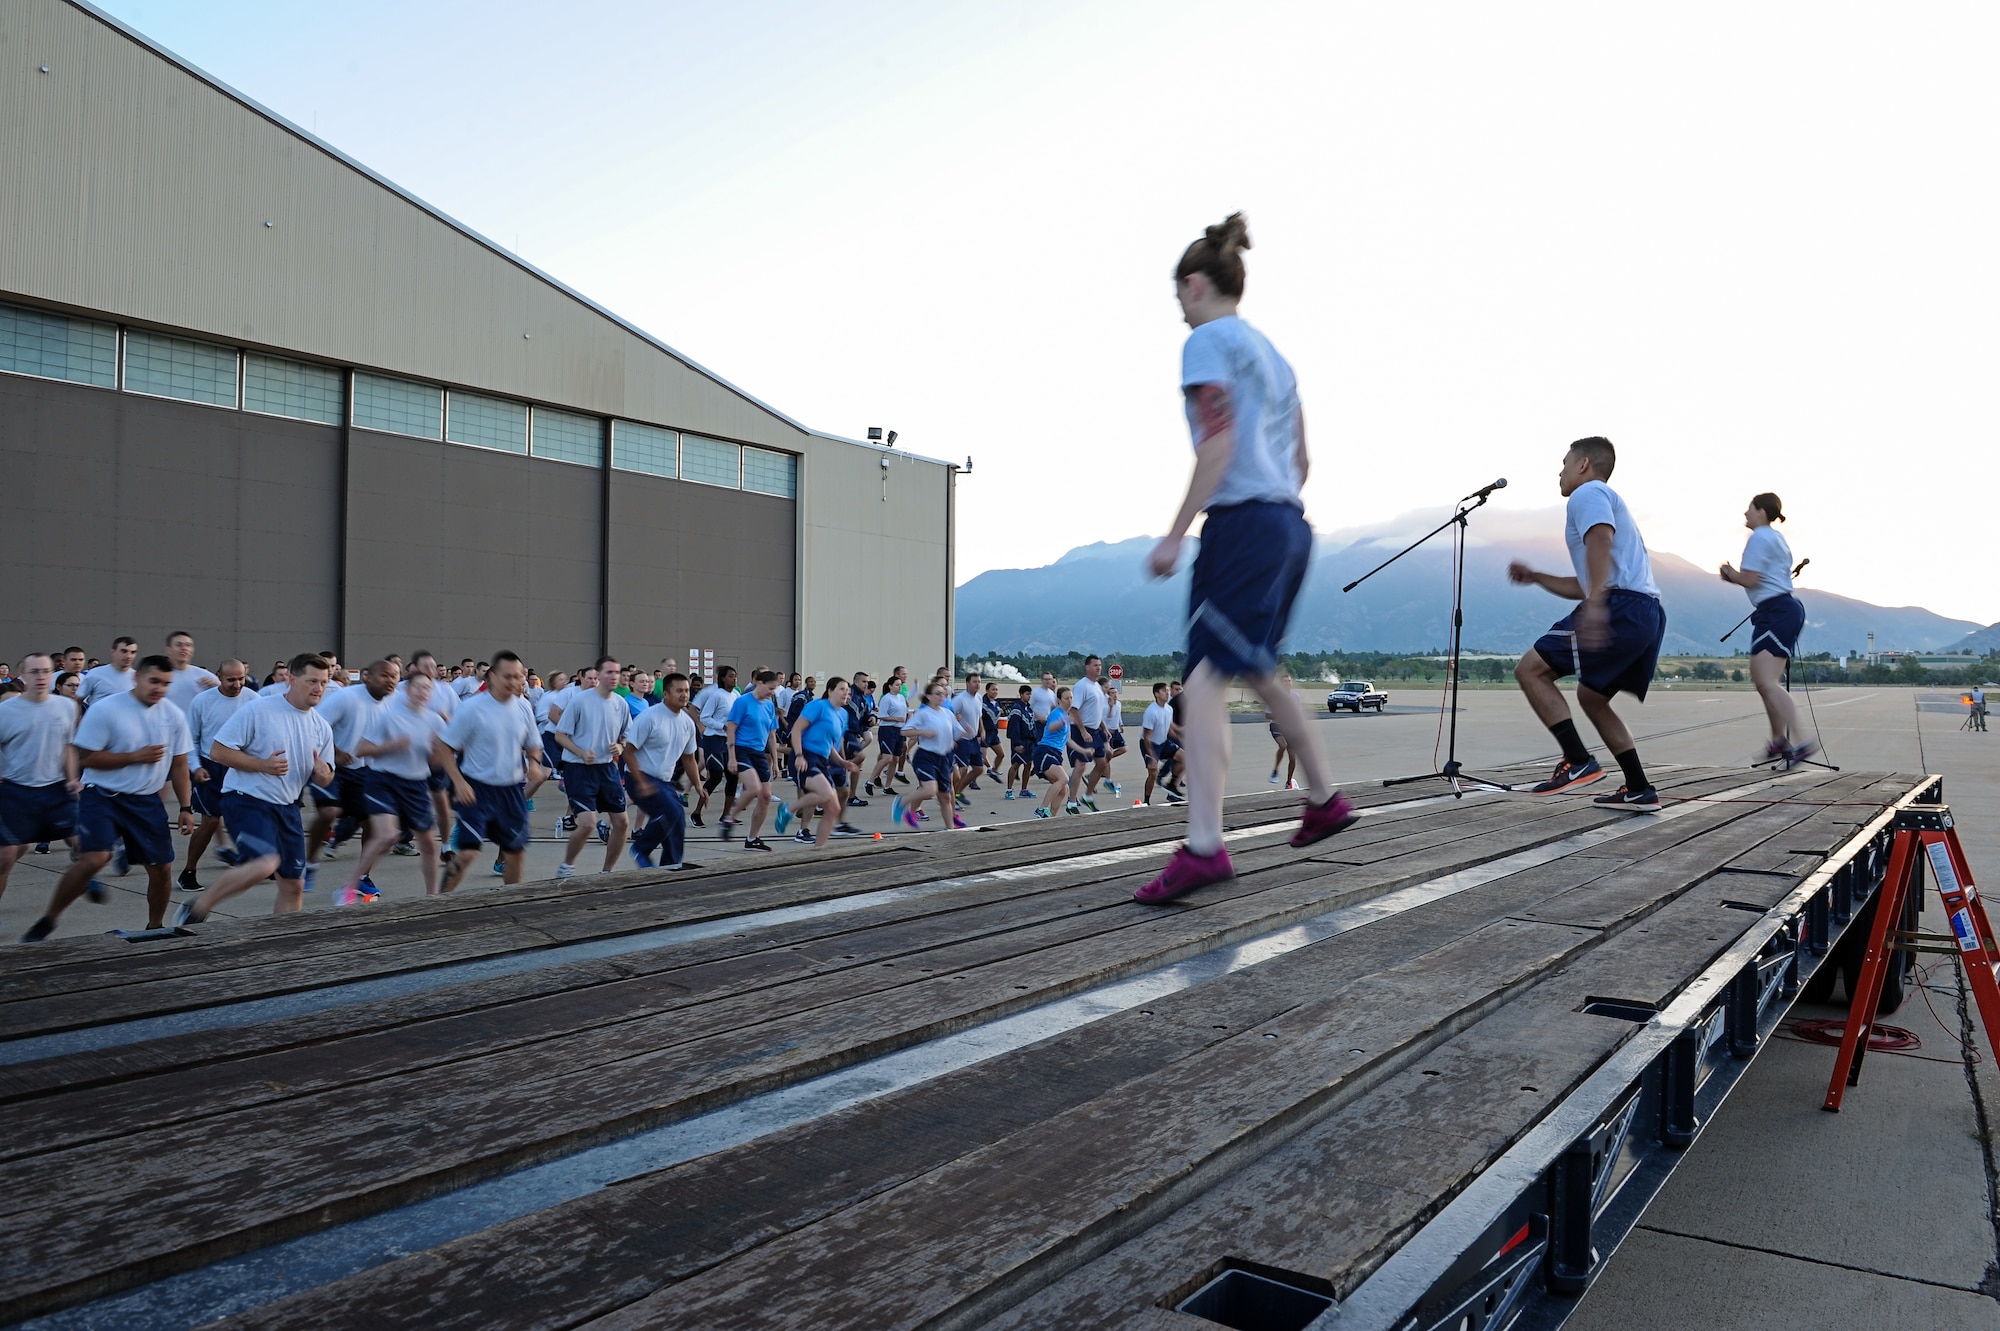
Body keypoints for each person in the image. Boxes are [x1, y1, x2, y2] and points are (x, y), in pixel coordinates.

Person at [1137, 213, 1355, 904]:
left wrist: (1176, 532)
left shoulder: (1207, 342)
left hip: (1243, 526)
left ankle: (1204, 845)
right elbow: (1304, 459)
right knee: (1257, 668)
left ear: (1195, 284)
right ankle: (1323, 797)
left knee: (1202, 682)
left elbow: (1218, 441)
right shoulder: (1275, 356)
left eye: (1178, 296)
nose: (1178, 310)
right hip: (1290, 523)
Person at [1508, 435, 1667, 811]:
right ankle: (1639, 788)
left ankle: (1578, 761)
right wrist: (1537, 577)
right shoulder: (1603, 500)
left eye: (1564, 463)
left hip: (1619, 605)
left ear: (1583, 465)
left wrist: (1596, 607)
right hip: (1645, 611)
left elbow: (1600, 541)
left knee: (1530, 670)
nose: (1559, 471)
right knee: (1592, 697)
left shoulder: (1588, 493)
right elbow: (1584, 583)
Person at [22, 654, 193, 941]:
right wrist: (135, 757)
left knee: (162, 867)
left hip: (145, 800)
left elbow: (179, 764)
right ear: (137, 677)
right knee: (95, 858)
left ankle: (155, 927)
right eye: (154, 681)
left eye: (165, 684)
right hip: (103, 796)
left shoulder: (172, 715)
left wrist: (186, 807)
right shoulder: (107, 709)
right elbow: (85, 757)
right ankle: (49, 919)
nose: (159, 689)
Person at [173, 654, 337, 925]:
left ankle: (282, 943)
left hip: (287, 807)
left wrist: (323, 774)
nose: (318, 688)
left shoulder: (321, 727)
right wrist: (262, 765)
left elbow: (325, 779)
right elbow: (218, 750)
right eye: (311, 681)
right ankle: (197, 908)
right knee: (264, 863)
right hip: (246, 799)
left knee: (294, 884)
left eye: (323, 682)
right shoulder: (260, 710)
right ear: (292, 680)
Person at [1719, 493, 1816, 766]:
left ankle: (1801, 740)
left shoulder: (1759, 537)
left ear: (1761, 511)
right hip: (1779, 611)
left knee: (1767, 683)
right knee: (1764, 682)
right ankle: (1778, 740)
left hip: (1776, 611)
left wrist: (1728, 573)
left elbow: (1750, 579)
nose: (1745, 513)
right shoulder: (1775, 538)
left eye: (1749, 508)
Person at [436, 651, 545, 892]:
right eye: (508, 676)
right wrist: (459, 782)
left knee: (515, 852)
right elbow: (444, 746)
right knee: (467, 853)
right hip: (477, 790)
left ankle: (511, 904)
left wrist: (534, 764)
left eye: (518, 676)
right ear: (492, 677)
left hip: (511, 791)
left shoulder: (523, 707)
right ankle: (439, 902)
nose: (514, 682)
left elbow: (534, 743)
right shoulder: (472, 708)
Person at [342, 671, 448, 901]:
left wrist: (436, 751)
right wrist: (390, 746)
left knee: (429, 843)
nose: (422, 692)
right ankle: (350, 888)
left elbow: (435, 763)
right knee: (387, 836)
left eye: (427, 688)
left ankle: (433, 897)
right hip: (384, 780)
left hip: (416, 783)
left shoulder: (435, 721)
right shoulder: (389, 717)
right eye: (418, 687)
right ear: (407, 690)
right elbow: (361, 749)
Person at [308, 658, 397, 889]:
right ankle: (308, 864)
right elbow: (315, 725)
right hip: (331, 766)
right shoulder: (346, 698)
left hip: (364, 771)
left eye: (394, 676)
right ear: (367, 676)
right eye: (384, 675)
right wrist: (334, 751)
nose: (390, 680)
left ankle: (361, 878)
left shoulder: (392, 704)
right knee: (329, 812)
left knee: (373, 824)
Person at [0, 654, 79, 906]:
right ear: (22, 675)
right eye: (34, 672)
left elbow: (67, 745)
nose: (41, 676)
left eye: (46, 671)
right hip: (16, 789)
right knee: (7, 856)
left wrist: (71, 778)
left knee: (90, 845)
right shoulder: (6, 711)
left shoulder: (66, 707)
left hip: (55, 788)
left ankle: (85, 878)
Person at [180, 658, 256, 890]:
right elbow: (190, 739)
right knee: (211, 821)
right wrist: (195, 767)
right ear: (219, 677)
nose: (237, 684)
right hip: (211, 766)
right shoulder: (202, 701)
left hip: (241, 764)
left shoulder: (254, 700)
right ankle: (189, 871)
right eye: (231, 679)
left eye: (241, 679)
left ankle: (258, 861)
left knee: (251, 816)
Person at [553, 656, 631, 877]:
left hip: (606, 768)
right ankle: (567, 865)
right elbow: (560, 735)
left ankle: (607, 872)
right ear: (598, 676)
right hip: (578, 768)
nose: (614, 677)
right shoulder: (580, 701)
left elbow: (625, 736)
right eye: (609, 672)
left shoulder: (620, 704)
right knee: (587, 824)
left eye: (617, 672)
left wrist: (620, 746)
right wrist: (581, 752)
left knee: (622, 823)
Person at [625, 672, 703, 870]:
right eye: (679, 691)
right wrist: (641, 782)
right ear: (666, 694)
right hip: (640, 777)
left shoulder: (687, 723)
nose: (684, 695)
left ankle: (670, 865)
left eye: (686, 691)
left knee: (678, 820)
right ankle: (641, 848)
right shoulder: (649, 717)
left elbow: (689, 758)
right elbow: (628, 751)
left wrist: (699, 787)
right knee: (672, 810)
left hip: (664, 782)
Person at [777, 676, 864, 847]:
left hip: (822, 760)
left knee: (833, 808)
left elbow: (830, 744)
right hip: (806, 757)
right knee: (825, 795)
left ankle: (819, 851)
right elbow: (796, 730)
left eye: (848, 690)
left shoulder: (843, 715)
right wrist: (800, 755)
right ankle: (788, 810)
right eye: (841, 689)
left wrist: (842, 762)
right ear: (830, 691)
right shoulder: (818, 706)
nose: (846, 693)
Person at [720, 670, 781, 849]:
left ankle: (753, 838)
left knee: (766, 796)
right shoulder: (743, 702)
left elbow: (771, 735)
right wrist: (731, 757)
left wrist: (776, 762)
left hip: (758, 752)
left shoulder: (769, 705)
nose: (772, 692)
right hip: (741, 750)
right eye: (770, 688)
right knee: (753, 788)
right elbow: (730, 729)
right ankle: (729, 818)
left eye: (774, 689)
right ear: (759, 683)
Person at [894, 679, 964, 831]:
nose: (941, 696)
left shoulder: (947, 713)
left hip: (943, 758)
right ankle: (902, 802)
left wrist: (956, 738)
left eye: (943, 694)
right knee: (931, 790)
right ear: (929, 696)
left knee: (945, 797)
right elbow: (904, 731)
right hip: (926, 757)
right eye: (937, 694)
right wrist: (923, 732)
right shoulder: (923, 714)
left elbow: (956, 731)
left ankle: (950, 830)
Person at [695, 665, 741, 817]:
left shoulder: (736, 695)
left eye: (735, 676)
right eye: (730, 676)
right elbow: (704, 717)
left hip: (728, 741)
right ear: (722, 678)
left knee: (733, 777)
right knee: (715, 774)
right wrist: (722, 726)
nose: (734, 678)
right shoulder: (717, 695)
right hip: (713, 739)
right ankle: (697, 812)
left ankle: (726, 815)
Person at [1139, 681, 1185, 805]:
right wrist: (1153, 756)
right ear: (1156, 694)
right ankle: (1146, 801)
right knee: (1153, 772)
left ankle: (1171, 784)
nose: (1167, 693)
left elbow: (1168, 728)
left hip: (1163, 742)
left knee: (1185, 757)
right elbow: (1147, 736)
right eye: (1164, 691)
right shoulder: (1151, 712)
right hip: (1149, 743)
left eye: (1168, 690)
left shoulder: (1169, 709)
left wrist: (1180, 739)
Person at [1032, 686, 1074, 818]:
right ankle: (1041, 808)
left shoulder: (1066, 716)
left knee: (1064, 789)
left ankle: (1051, 817)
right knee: (1063, 779)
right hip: (1045, 751)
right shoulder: (1057, 714)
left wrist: (1084, 750)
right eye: (1066, 698)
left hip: (1055, 753)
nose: (1069, 701)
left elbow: (1068, 740)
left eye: (1071, 698)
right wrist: (1061, 722)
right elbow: (1051, 726)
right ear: (1059, 700)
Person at [866, 675, 910, 796]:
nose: (899, 686)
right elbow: (881, 715)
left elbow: (905, 713)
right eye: (897, 684)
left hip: (899, 730)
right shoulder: (887, 698)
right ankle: (870, 781)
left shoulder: (901, 698)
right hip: (888, 730)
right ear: (890, 686)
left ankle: (887, 786)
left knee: (895, 759)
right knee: (887, 758)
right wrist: (896, 718)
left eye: (900, 684)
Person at [949, 670, 985, 804]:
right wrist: (955, 719)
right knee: (963, 769)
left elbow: (979, 716)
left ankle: (957, 792)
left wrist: (982, 730)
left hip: (973, 739)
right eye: (974, 682)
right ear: (967, 684)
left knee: (979, 769)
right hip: (961, 739)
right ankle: (949, 796)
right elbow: (947, 715)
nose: (977, 684)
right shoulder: (960, 699)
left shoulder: (979, 698)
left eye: (979, 682)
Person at [76, 636, 138, 708]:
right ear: (113, 652)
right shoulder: (95, 673)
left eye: (133, 652)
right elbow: (78, 701)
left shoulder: (138, 678)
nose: (128, 656)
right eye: (124, 651)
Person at [163, 631, 218, 711]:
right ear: (168, 650)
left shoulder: (206, 676)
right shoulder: (158, 677)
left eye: (188, 645)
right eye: (179, 645)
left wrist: (218, 688)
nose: (184, 648)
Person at [1003, 685, 1038, 799]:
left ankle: (1024, 789)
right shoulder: (1017, 709)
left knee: (1028, 764)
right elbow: (1014, 727)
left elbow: (1033, 725)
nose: (1029, 696)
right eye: (1027, 694)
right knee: (1016, 764)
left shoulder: (1029, 709)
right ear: (1021, 695)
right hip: (1020, 741)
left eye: (1030, 694)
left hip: (1029, 741)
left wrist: (1035, 739)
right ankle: (1009, 790)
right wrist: (1017, 743)